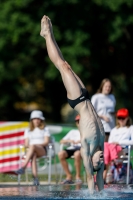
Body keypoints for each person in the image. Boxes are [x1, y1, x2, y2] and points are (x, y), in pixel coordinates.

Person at [40, 15, 104, 193]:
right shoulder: (101, 144)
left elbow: (92, 177)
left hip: (78, 101)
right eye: (102, 161)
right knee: (66, 64)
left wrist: (93, 192)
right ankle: (49, 34)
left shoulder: (87, 149)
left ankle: (47, 35)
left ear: (91, 162)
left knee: (62, 66)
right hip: (86, 97)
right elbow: (100, 179)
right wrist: (102, 192)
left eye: (98, 162)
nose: (101, 159)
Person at [15, 110, 50, 185]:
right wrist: (32, 147)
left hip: (42, 150)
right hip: (31, 151)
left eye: (38, 119)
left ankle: (23, 167)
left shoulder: (45, 129)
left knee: (33, 146)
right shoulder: (27, 130)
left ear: (41, 120)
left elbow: (46, 142)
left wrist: (35, 146)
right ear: (32, 120)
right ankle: (35, 179)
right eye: (35, 119)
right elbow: (26, 144)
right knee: (33, 154)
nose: (36, 121)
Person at [105, 108, 133, 183]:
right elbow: (110, 142)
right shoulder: (114, 130)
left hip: (124, 149)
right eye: (119, 118)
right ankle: (105, 175)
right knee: (105, 145)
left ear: (127, 118)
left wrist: (119, 142)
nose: (121, 120)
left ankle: (106, 174)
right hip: (113, 149)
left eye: (123, 118)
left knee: (108, 150)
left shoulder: (130, 128)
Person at [58, 115, 82, 184]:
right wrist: (70, 141)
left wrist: (81, 141)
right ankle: (69, 176)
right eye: (78, 122)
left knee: (77, 154)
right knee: (61, 154)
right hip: (73, 148)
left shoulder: (88, 132)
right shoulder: (73, 132)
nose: (79, 123)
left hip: (82, 149)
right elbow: (61, 141)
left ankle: (78, 176)